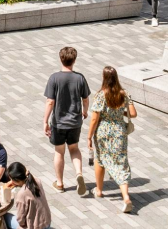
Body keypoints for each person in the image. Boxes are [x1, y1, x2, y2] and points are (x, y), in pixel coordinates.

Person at [87, 68, 138, 213]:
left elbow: (95, 118)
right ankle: (126, 197)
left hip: (103, 131)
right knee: (121, 163)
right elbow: (133, 114)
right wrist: (120, 112)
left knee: (101, 159)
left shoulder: (101, 95)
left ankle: (99, 190)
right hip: (120, 132)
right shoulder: (124, 93)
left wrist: (89, 136)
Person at [43, 47, 91, 194]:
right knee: (74, 148)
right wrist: (84, 111)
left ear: (60, 59)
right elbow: (86, 99)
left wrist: (45, 121)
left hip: (59, 123)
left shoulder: (54, 78)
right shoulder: (80, 78)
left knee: (59, 152)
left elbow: (50, 101)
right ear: (74, 60)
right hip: (75, 122)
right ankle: (79, 174)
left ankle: (60, 183)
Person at [0, 162, 57, 229]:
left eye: (11, 179)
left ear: (16, 180)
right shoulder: (37, 181)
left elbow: (21, 221)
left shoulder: (21, 194)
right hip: (46, 226)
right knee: (9, 218)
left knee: (2, 217)